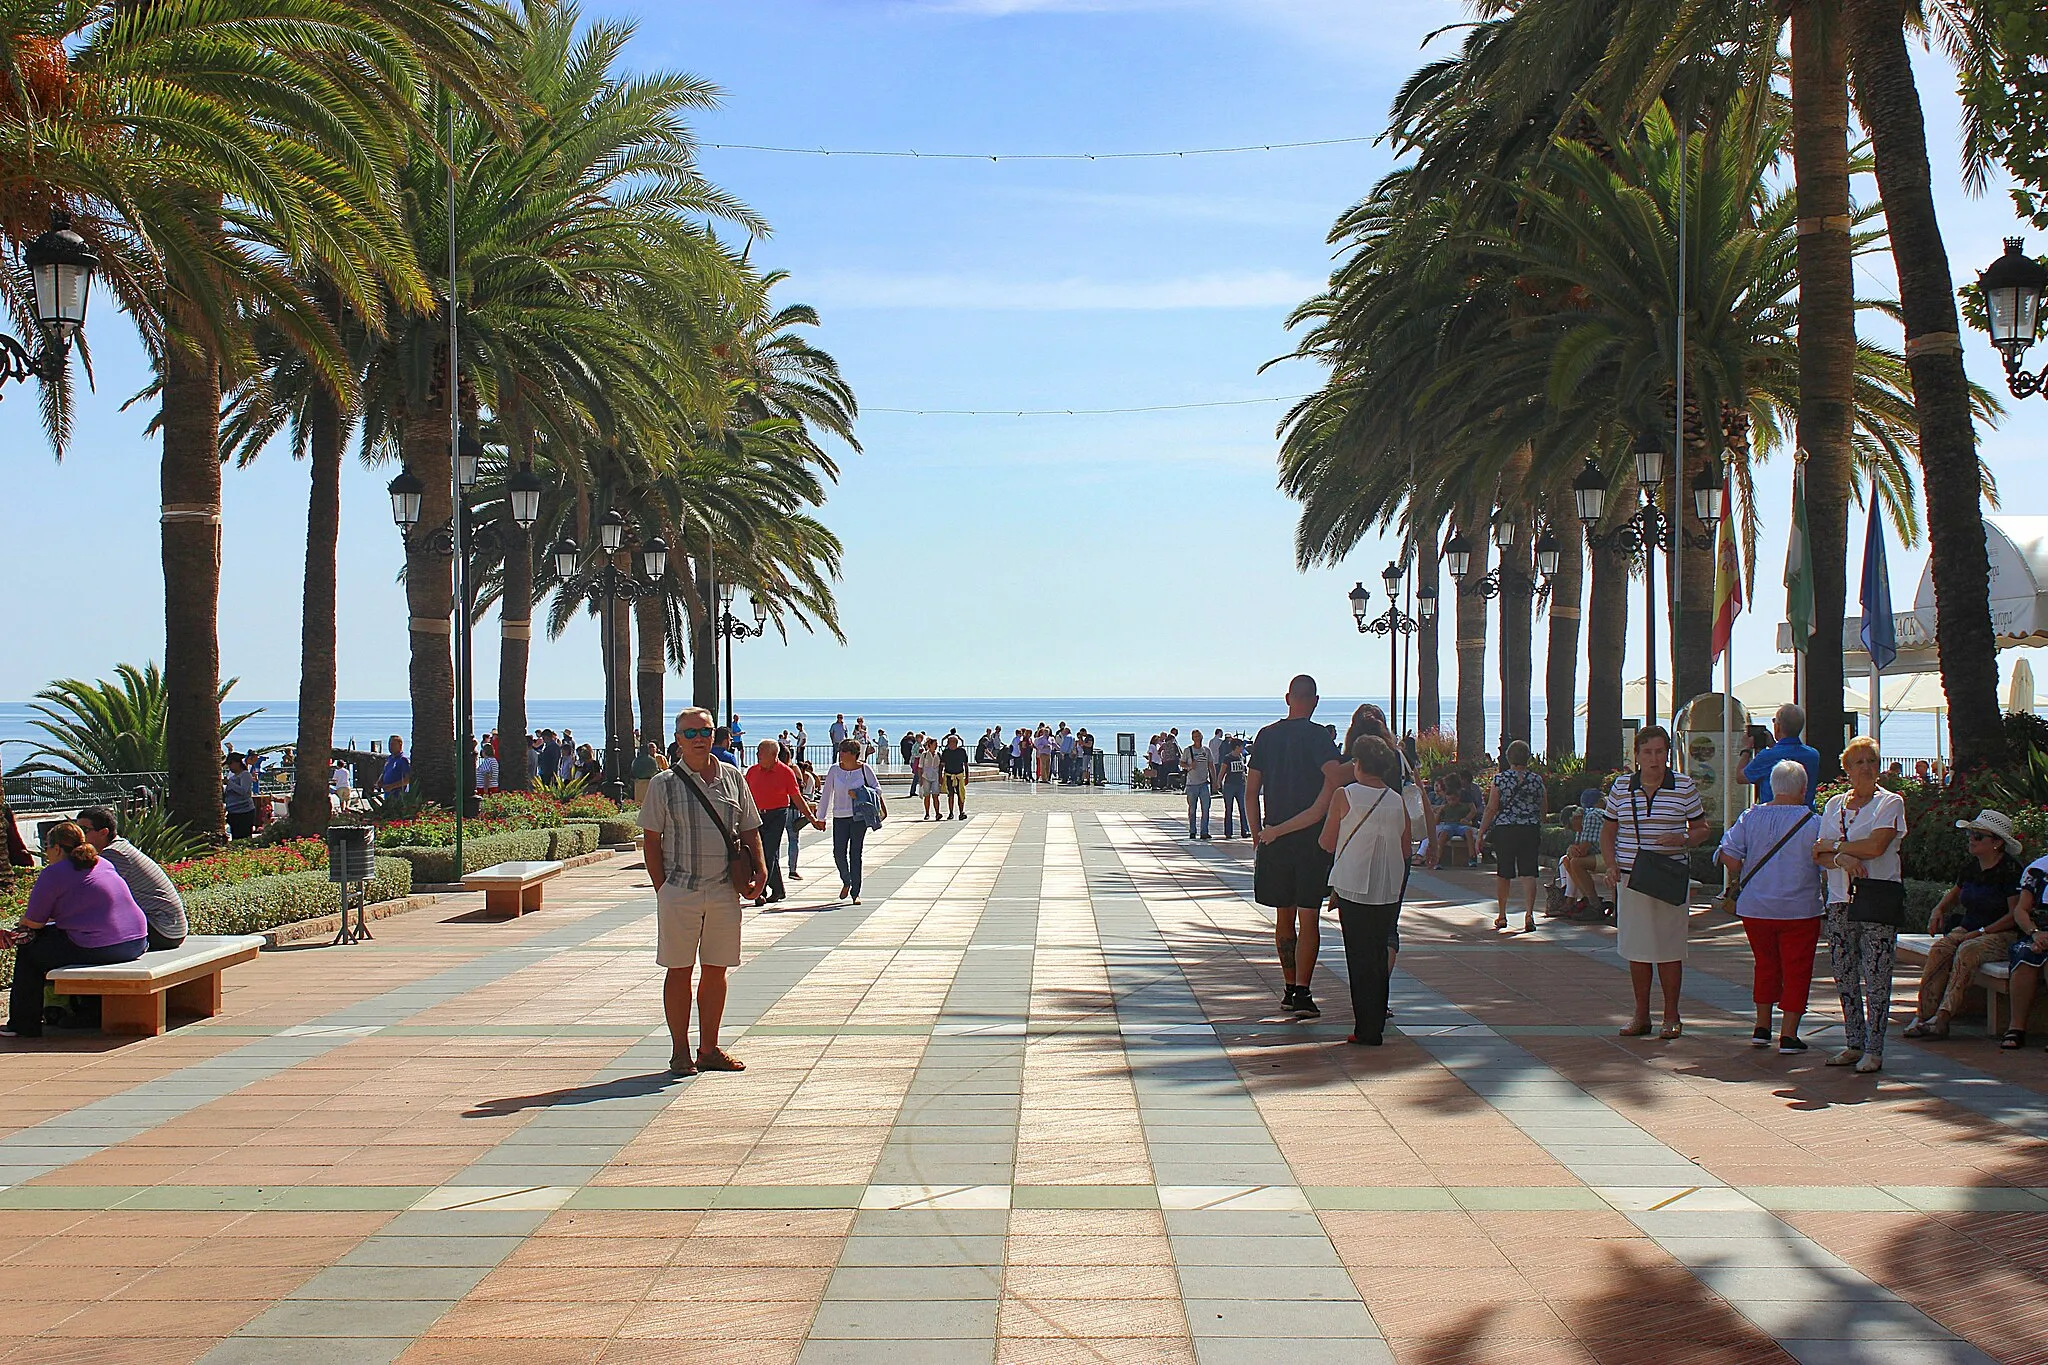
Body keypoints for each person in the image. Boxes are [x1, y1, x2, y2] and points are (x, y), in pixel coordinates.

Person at [640, 709, 766, 1076]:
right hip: (681, 890)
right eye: (690, 732)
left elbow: (749, 829)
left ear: (715, 735)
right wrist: (663, 889)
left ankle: (708, 1048)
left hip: (724, 890)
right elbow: (651, 839)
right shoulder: (664, 784)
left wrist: (760, 870)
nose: (698, 738)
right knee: (679, 970)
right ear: (678, 738)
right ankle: (680, 1051)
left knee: (717, 970)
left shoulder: (732, 777)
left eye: (705, 731)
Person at [1600, 725, 1709, 1040]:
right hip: (1632, 877)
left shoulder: (1684, 787)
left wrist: (1683, 838)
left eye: (1660, 752)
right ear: (1636, 755)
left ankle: (1672, 1015)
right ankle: (1640, 1014)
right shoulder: (1622, 788)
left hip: (1668, 877)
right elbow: (1609, 832)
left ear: (1668, 754)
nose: (1654, 759)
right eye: (1647, 752)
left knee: (1669, 948)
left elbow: (1702, 828)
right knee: (1637, 948)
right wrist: (1610, 865)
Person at [1249, 675, 1345, 1019]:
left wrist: (1257, 833)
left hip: (1274, 836)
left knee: (1283, 917)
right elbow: (1335, 774)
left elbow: (1251, 790)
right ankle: (1303, 991)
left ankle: (1289, 987)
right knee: (1309, 916)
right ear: (1315, 700)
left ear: (1287, 698)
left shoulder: (1266, 736)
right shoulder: (1319, 736)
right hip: (1311, 840)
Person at [1715, 761, 1826, 1053]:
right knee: (1797, 969)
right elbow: (1825, 860)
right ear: (1803, 788)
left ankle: (1761, 1026)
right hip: (1800, 908)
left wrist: (1741, 872)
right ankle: (1788, 1034)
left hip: (1756, 907)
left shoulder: (1750, 816)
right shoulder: (1814, 822)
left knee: (1765, 965)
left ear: (1772, 786)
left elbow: (1728, 853)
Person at [1, 822, 150, 1038]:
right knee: (53, 941)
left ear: (58, 849)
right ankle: (81, 1009)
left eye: (47, 847)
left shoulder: (53, 874)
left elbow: (33, 923)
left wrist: (15, 931)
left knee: (29, 951)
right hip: (137, 943)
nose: (46, 852)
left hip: (103, 946)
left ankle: (23, 1025)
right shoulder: (102, 863)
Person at [1814, 735, 1908, 1074]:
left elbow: (1877, 846)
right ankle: (1854, 1042)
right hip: (1840, 900)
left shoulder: (1890, 803)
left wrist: (1838, 848)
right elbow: (1818, 854)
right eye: (1859, 762)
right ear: (1847, 769)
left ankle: (1875, 1047)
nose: (1867, 767)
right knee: (1844, 974)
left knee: (1877, 974)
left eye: (1872, 760)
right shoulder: (1834, 805)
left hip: (1878, 895)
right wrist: (1841, 858)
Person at [1318, 733, 1412, 1045]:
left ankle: (1365, 1028)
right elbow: (1405, 848)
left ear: (1358, 764)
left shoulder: (1345, 795)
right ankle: (1377, 1023)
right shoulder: (1396, 800)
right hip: (1388, 887)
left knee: (1358, 957)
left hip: (1353, 886)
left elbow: (1327, 842)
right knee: (1377, 952)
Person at [1903, 810, 2023, 1042]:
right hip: (1970, 929)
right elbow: (1956, 893)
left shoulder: (2010, 871)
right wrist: (1938, 910)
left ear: (1997, 843)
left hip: (2001, 933)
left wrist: (1982, 932)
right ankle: (1923, 1015)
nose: (1971, 839)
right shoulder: (1971, 867)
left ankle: (1943, 1017)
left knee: (1967, 951)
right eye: (1970, 833)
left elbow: (2014, 914)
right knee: (1940, 949)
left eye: (1978, 835)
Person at [77, 806, 186, 952]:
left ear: (103, 832)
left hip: (162, 929)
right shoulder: (119, 847)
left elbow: (87, 893)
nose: (79, 837)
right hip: (169, 928)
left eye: (84, 830)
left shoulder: (114, 855)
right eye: (77, 830)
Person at [1478, 740, 1546, 934]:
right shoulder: (1536, 780)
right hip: (1529, 829)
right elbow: (1543, 804)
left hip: (1506, 829)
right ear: (1528, 757)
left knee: (1504, 872)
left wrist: (1482, 832)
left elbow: (1492, 808)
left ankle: (1502, 914)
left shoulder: (1501, 779)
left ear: (1508, 758)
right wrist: (1538, 821)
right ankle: (1529, 914)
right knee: (1529, 872)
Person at [813, 740, 886, 904]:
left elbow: (877, 789)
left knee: (855, 853)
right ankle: (847, 880)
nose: (841, 753)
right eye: (840, 750)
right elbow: (826, 794)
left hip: (858, 817)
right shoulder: (834, 770)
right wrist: (821, 817)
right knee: (838, 852)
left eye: (845, 751)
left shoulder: (864, 769)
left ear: (854, 754)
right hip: (839, 816)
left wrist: (860, 793)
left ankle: (855, 892)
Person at [745, 740, 814, 907]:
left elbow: (797, 798)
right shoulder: (752, 771)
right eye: (757, 752)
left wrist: (811, 818)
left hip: (777, 814)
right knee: (764, 854)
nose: (757, 755)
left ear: (773, 755)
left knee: (767, 853)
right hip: (756, 816)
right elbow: (744, 796)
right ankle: (778, 890)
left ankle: (759, 892)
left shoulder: (785, 772)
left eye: (761, 753)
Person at [2001, 852, 2048, 1049]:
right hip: (2037, 933)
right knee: (2026, 955)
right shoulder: (2038, 869)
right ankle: (2016, 1027)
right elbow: (2020, 910)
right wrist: (2035, 933)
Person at [1742, 704, 1821, 805]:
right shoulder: (1813, 755)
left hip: (1772, 816)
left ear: (1778, 726)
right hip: (1804, 815)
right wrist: (1773, 745)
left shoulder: (1767, 756)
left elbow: (1741, 777)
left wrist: (1746, 749)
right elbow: (1788, 754)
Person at [1431, 774, 1479, 867]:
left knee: (1468, 832)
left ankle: (1472, 857)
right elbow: (1439, 816)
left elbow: (1473, 810)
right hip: (1449, 824)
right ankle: (1437, 859)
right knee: (1443, 834)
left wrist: (1466, 819)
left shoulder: (1464, 796)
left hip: (1461, 824)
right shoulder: (1446, 799)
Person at [1184, 729, 1215, 840]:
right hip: (1192, 784)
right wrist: (1189, 766)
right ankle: (1192, 831)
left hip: (1204, 783)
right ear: (1193, 738)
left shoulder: (1206, 750)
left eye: (1199, 736)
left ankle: (1204, 831)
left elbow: (1211, 766)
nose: (1198, 738)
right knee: (1192, 809)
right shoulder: (1188, 750)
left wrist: (1215, 781)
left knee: (1205, 808)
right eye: (1195, 736)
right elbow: (1182, 763)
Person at [1217, 735, 1249, 838]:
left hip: (1241, 785)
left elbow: (1244, 772)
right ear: (1236, 747)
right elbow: (1222, 771)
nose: (1242, 749)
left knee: (1242, 808)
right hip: (1230, 785)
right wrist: (1218, 783)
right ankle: (1228, 832)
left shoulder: (1241, 757)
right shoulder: (1228, 758)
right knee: (1229, 808)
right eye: (1241, 747)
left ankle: (1245, 830)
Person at [223, 753, 259, 840]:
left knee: (244, 837)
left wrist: (229, 783)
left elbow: (244, 791)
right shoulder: (232, 777)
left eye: (231, 764)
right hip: (233, 812)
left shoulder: (245, 775)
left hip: (244, 812)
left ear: (237, 763)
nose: (229, 767)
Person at [940, 734, 971, 819]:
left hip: (959, 775)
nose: (949, 744)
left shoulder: (962, 751)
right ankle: (951, 813)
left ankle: (961, 812)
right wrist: (940, 776)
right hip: (949, 775)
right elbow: (942, 765)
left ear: (955, 743)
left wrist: (967, 777)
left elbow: (966, 765)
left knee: (961, 794)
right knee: (950, 795)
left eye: (951, 742)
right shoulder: (946, 752)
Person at [920, 737, 944, 820]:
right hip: (926, 776)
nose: (936, 746)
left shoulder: (938, 754)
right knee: (927, 795)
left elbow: (941, 766)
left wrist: (941, 777)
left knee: (935, 795)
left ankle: (937, 813)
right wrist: (920, 779)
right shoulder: (924, 755)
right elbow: (920, 767)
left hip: (935, 776)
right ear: (930, 745)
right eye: (935, 744)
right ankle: (927, 813)